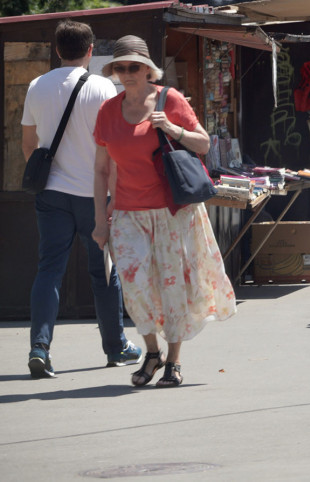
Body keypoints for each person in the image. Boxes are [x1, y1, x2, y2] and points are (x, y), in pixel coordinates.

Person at [92, 35, 236, 387]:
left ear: (147, 69)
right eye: (120, 67)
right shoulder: (108, 111)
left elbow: (203, 143)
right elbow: (101, 169)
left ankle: (173, 360)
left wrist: (171, 128)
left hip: (172, 210)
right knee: (135, 286)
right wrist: (99, 220)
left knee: (172, 286)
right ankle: (152, 352)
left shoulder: (169, 99)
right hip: (128, 212)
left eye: (134, 66)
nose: (127, 73)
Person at [21, 20, 140, 379]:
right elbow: (115, 148)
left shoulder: (37, 86)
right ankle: (116, 347)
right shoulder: (104, 88)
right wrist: (115, 195)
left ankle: (39, 348)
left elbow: (29, 145)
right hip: (94, 196)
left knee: (49, 270)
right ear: (90, 50)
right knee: (103, 272)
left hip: (52, 195)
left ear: (57, 50)